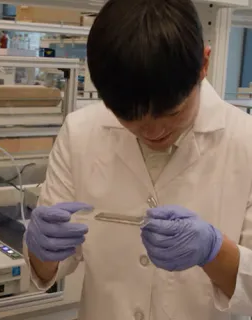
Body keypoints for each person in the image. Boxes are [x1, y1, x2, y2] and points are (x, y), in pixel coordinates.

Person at [24, 0, 252, 319]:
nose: (153, 131)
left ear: (204, 64)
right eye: (128, 117)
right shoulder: (80, 132)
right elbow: (50, 267)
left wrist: (214, 252)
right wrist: (40, 247)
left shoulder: (246, 141)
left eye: (171, 112)